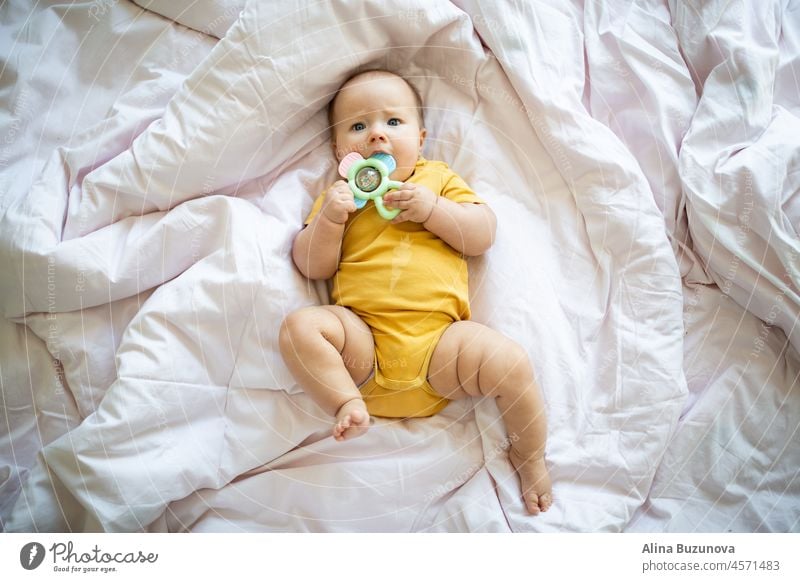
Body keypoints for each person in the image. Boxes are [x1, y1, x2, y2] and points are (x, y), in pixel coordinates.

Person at [279, 70, 552, 515]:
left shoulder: (438, 180)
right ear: (338, 150)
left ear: (420, 139)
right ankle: (345, 403)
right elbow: (312, 265)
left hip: (440, 350)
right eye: (358, 126)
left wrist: (432, 209)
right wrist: (330, 220)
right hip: (362, 349)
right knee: (299, 328)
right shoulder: (341, 197)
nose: (377, 138)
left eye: (393, 123)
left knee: (512, 365)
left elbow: (482, 234)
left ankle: (530, 454)